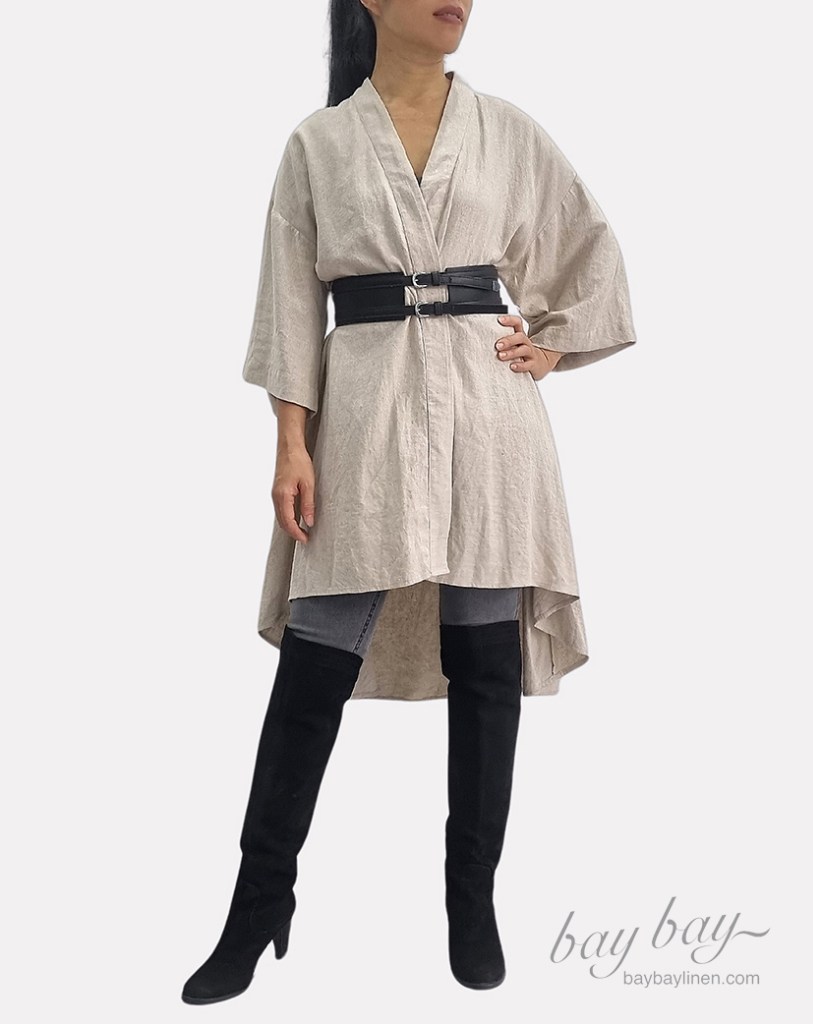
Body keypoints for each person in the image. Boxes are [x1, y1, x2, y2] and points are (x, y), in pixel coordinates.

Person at [181, 0, 637, 1003]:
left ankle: (471, 903)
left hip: (487, 416)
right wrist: (290, 442)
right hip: (366, 411)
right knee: (314, 663)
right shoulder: (318, 143)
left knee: (486, 664)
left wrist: (553, 343)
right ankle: (257, 906)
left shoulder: (507, 131)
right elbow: (288, 305)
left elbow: (586, 247)